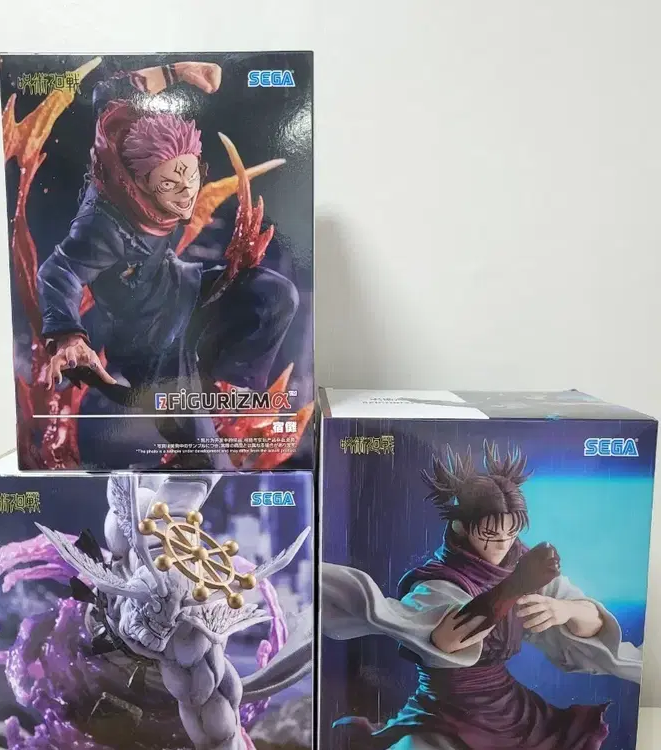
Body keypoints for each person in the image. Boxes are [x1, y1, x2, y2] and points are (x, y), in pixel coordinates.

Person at [36, 62, 298, 467]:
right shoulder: (102, 226)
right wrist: (68, 335)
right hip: (150, 342)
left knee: (275, 294)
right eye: (170, 185)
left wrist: (178, 72)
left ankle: (226, 386)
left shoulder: (119, 139)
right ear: (139, 183)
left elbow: (110, 93)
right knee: (211, 462)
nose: (187, 193)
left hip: (180, 285)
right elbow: (59, 271)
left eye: (191, 177)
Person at [322, 442, 643, 750]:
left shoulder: (522, 562)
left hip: (509, 709)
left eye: (511, 532)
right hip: (443, 711)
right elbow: (446, 641)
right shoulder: (439, 581)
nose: (503, 543)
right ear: (461, 527)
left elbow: (593, 622)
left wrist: (565, 610)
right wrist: (514, 586)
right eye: (490, 534)